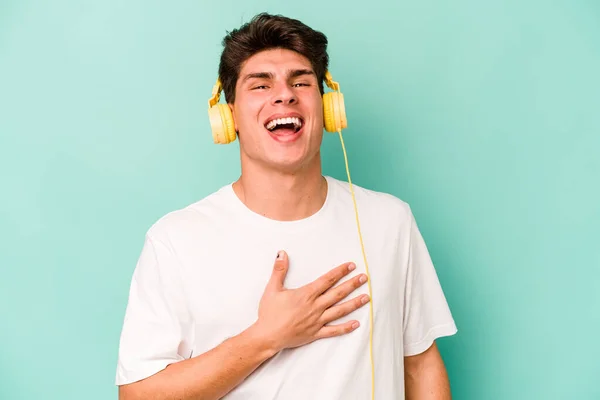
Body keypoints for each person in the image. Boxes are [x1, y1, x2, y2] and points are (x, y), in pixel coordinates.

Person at [115, 12, 458, 400]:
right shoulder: (175, 241)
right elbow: (138, 395)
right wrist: (266, 337)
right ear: (228, 118)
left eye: (301, 81)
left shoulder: (390, 221)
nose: (285, 94)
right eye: (260, 85)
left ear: (329, 109)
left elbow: (421, 365)